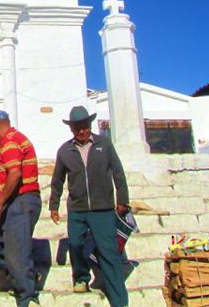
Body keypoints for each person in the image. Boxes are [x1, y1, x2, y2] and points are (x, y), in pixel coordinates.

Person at [49, 106, 130, 307]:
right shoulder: (64, 150)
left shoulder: (105, 144)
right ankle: (81, 277)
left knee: (109, 253)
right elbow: (57, 180)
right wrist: (53, 205)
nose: (81, 131)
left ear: (90, 125)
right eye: (77, 128)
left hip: (103, 209)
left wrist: (123, 200)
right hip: (77, 208)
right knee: (75, 244)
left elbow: (118, 173)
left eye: (84, 127)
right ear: (72, 129)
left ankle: (119, 301)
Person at [0, 110, 41, 307]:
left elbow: (15, 173)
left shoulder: (9, 142)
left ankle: (27, 296)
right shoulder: (15, 139)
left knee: (18, 252)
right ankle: (22, 274)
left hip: (21, 200)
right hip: (15, 201)